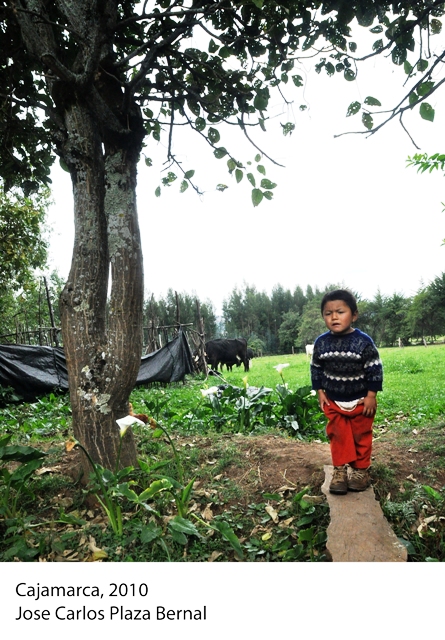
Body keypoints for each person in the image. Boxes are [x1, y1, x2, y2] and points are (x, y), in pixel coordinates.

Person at [310, 289, 383, 494]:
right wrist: (320, 391)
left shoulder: (363, 342)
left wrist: (371, 396)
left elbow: (374, 369)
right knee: (338, 435)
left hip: (360, 401)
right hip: (334, 400)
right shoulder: (321, 343)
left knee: (361, 436)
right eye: (328, 313)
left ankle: (361, 472)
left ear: (354, 315)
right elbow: (316, 367)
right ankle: (340, 471)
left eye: (340, 312)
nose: (334, 317)